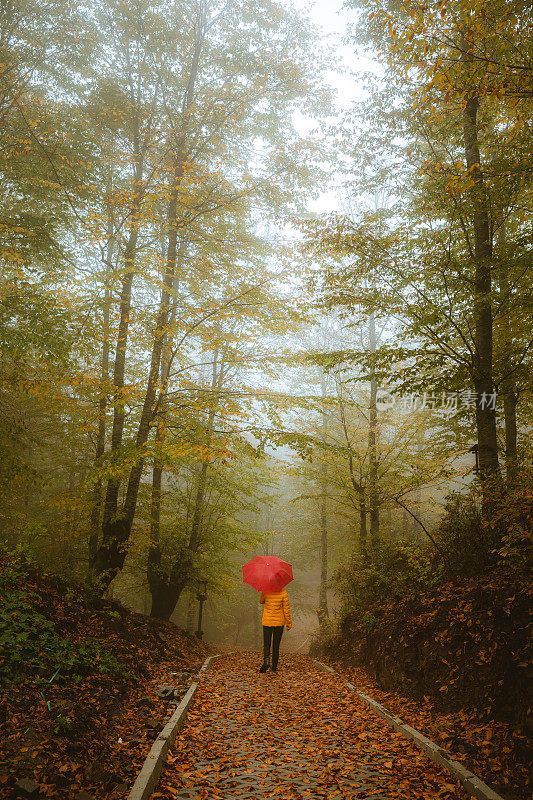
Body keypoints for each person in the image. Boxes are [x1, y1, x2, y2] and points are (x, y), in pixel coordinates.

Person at [258, 587, 291, 673]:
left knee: (267, 644)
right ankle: (274, 667)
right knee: (276, 646)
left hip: (267, 622)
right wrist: (289, 623)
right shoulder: (283, 593)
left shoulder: (265, 591)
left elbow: (261, 601)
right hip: (279, 623)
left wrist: (265, 594)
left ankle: (267, 661)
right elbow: (286, 609)